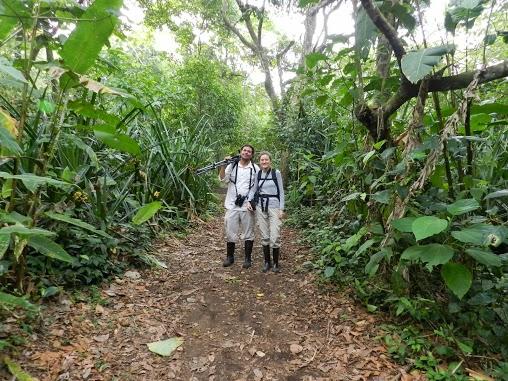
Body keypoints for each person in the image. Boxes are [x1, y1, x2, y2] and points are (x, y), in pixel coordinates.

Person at [219, 144, 259, 269]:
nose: (246, 153)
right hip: (232, 204)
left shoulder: (255, 168)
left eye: (249, 151)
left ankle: (247, 258)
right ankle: (230, 257)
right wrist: (223, 165)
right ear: (240, 152)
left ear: (252, 155)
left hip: (247, 205)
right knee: (230, 230)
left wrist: (254, 202)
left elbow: (259, 186)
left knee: (249, 232)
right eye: (244, 150)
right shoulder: (232, 165)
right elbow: (222, 179)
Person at [254, 151, 285, 273]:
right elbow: (254, 190)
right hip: (261, 206)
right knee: (264, 235)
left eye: (266, 159)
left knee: (275, 235)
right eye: (262, 160)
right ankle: (267, 262)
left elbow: (281, 192)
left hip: (274, 206)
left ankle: (276, 263)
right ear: (259, 162)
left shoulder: (275, 173)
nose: (264, 162)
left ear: (270, 161)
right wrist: (250, 203)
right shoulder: (258, 173)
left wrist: (281, 209)